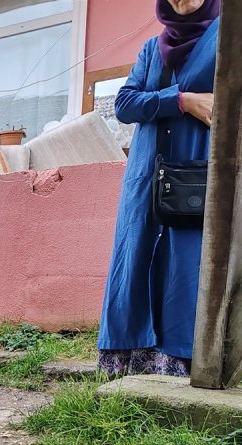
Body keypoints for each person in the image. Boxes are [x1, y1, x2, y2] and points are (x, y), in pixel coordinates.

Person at [97, 0, 220, 377]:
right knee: (136, 258)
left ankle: (182, 362)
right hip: (147, 175)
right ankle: (129, 362)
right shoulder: (153, 48)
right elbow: (125, 104)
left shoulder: (227, 39)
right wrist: (182, 100)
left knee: (188, 261)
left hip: (199, 172)